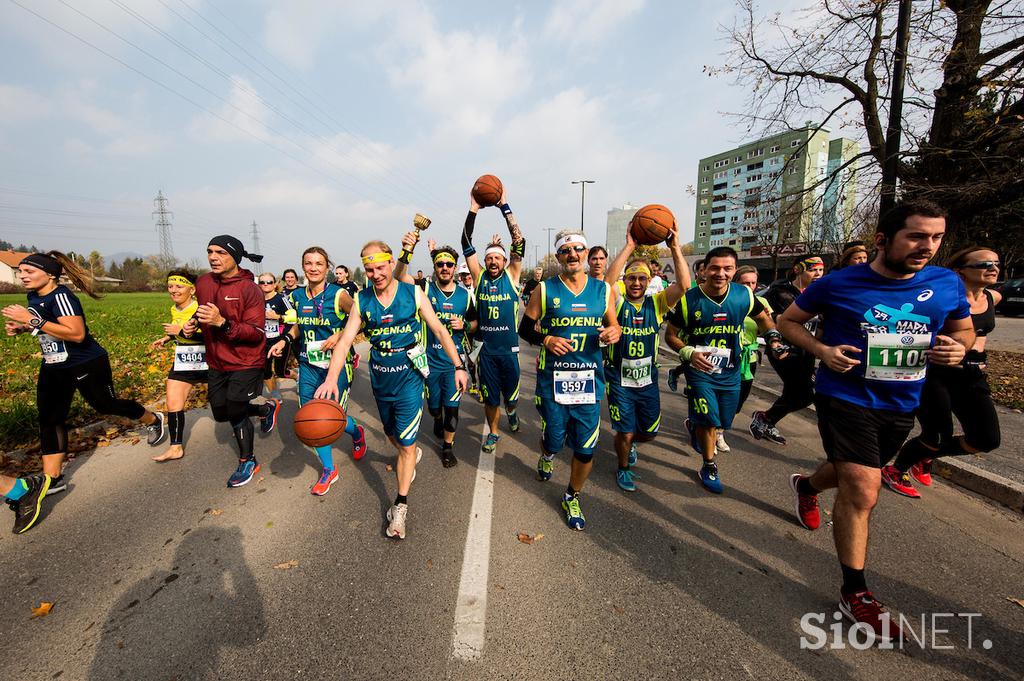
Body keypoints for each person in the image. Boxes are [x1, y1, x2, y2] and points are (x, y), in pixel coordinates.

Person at [780, 200, 973, 642]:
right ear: (884, 240)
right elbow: (791, 322)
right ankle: (856, 593)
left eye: (936, 237)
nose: (927, 246)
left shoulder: (945, 283)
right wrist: (823, 351)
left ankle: (806, 486)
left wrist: (959, 348)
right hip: (844, 395)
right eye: (917, 236)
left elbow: (963, 331)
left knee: (854, 475)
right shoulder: (839, 283)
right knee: (864, 489)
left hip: (901, 401)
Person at [2, 251, 164, 534]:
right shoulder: (34, 297)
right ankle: (52, 478)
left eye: (29, 271)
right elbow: (50, 329)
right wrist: (24, 327)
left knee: (105, 405)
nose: (23, 275)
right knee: (50, 418)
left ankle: (154, 419)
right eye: (22, 272)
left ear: (50, 274)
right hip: (54, 365)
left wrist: (33, 322)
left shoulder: (62, 296)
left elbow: (77, 334)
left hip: (86, 363)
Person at [315, 240, 468, 539]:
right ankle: (408, 452)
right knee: (391, 434)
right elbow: (346, 341)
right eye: (369, 269)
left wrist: (459, 365)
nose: (375, 274)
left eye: (380, 267)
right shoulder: (362, 300)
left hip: (410, 377)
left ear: (389, 263)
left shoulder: (413, 293)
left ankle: (400, 506)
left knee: (407, 444)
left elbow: (438, 329)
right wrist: (331, 379)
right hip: (381, 377)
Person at [517, 230, 621, 529]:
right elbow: (525, 330)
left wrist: (615, 332)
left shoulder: (603, 291)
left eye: (578, 249)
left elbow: (613, 326)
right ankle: (548, 453)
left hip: (589, 382)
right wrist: (547, 338)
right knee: (554, 438)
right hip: (553, 380)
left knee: (585, 448)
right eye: (566, 250)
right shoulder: (545, 290)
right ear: (559, 257)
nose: (572, 254)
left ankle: (572, 496)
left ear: (586, 254)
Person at [882, 246, 1003, 498]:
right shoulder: (941, 298)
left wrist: (978, 355)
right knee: (936, 435)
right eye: (983, 264)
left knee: (987, 438)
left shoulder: (993, 297)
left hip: (971, 375)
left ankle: (923, 457)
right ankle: (898, 468)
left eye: (995, 263)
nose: (993, 268)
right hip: (935, 373)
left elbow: (981, 333)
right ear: (960, 272)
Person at [666, 247, 783, 493]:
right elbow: (671, 335)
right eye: (715, 268)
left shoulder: (744, 296)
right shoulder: (689, 299)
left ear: (734, 270)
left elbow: (763, 317)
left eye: (727, 268)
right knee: (709, 421)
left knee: (723, 421)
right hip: (700, 370)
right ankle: (709, 465)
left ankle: (695, 424)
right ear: (705, 270)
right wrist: (688, 352)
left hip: (731, 370)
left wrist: (773, 337)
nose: (721, 273)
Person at [182, 236, 279, 488]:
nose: (213, 257)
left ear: (235, 257)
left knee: (235, 409)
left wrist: (221, 323)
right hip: (216, 360)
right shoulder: (203, 281)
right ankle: (265, 409)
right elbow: (202, 309)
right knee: (221, 412)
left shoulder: (250, 290)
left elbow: (256, 333)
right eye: (210, 251)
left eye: (221, 253)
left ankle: (248, 460)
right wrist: (193, 322)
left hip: (246, 360)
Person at [269, 247, 366, 495]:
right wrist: (285, 341)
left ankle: (357, 432)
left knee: (331, 415)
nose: (313, 268)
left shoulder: (339, 294)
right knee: (312, 417)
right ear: (303, 267)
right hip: (308, 365)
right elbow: (297, 327)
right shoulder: (298, 296)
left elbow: (361, 320)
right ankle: (329, 468)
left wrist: (340, 334)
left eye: (319, 263)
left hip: (337, 366)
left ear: (327, 268)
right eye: (309, 263)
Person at [603, 226, 690, 491]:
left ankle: (630, 443)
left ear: (649, 280)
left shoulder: (657, 303)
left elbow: (684, 285)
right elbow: (606, 285)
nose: (637, 283)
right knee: (626, 431)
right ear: (625, 281)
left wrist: (675, 247)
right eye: (632, 278)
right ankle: (624, 466)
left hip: (647, 379)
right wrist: (629, 247)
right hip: (618, 376)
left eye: (642, 278)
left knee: (649, 432)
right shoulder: (617, 303)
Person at [396, 236, 477, 467]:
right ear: (435, 267)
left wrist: (466, 326)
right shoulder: (424, 288)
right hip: (428, 361)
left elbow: (475, 323)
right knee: (434, 408)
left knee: (452, 408)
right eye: (440, 264)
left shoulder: (465, 295)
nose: (444, 268)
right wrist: (407, 249)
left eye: (449, 264)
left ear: (454, 267)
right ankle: (437, 417)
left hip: (453, 363)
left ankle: (448, 447)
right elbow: (400, 276)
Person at [463, 186, 526, 453]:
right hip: (487, 352)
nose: (492, 261)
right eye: (488, 257)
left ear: (504, 261)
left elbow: (519, 241)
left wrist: (505, 207)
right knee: (490, 399)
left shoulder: (512, 276)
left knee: (510, 399)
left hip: (509, 352)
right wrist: (473, 209)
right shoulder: (478, 278)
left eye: (496, 258)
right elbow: (466, 242)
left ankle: (512, 412)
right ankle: (494, 433)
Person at [749, 255, 826, 445]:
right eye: (813, 270)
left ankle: (766, 419)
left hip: (806, 349)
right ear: (798, 269)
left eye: (821, 270)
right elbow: (774, 317)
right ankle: (766, 418)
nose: (818, 274)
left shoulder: (819, 291)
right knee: (806, 393)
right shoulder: (781, 291)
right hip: (783, 349)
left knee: (795, 392)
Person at [149, 269, 207, 462]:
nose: (173, 290)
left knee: (224, 407)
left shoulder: (201, 308)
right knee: (173, 403)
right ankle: (175, 447)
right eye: (170, 286)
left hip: (208, 361)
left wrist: (181, 331)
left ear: (192, 290)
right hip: (184, 360)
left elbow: (210, 337)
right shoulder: (175, 308)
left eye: (179, 286)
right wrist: (166, 338)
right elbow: (178, 330)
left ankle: (262, 410)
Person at [730, 266, 776, 449]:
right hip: (726, 356)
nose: (749, 287)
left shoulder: (761, 302)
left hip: (749, 358)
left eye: (753, 283)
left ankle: (719, 429)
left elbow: (768, 326)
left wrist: (774, 340)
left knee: (740, 399)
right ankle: (709, 428)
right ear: (735, 283)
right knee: (721, 396)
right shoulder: (728, 300)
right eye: (744, 283)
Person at [259, 272, 292, 401]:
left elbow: (293, 318)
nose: (266, 285)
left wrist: (277, 317)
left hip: (280, 340)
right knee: (265, 370)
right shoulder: (256, 300)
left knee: (280, 371)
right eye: (262, 282)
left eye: (269, 282)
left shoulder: (281, 299)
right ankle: (274, 393)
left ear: (274, 285)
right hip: (263, 341)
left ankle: (297, 376)